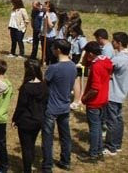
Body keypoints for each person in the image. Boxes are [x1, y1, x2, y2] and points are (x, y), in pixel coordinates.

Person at [41, 39, 76, 172]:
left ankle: (47, 165)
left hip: (51, 107)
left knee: (48, 138)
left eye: (53, 48)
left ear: (59, 50)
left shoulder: (54, 68)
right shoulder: (73, 66)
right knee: (65, 136)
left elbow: (45, 85)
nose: (52, 50)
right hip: (65, 106)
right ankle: (66, 161)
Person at [78, 41, 113, 162]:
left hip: (94, 101)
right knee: (98, 127)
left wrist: (85, 98)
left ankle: (93, 153)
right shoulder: (106, 61)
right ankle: (98, 150)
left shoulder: (96, 66)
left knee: (94, 128)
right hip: (103, 99)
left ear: (91, 53)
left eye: (87, 53)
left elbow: (95, 88)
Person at [12, 59, 48, 173]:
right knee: (31, 144)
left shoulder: (26, 87)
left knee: (26, 146)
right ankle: (30, 164)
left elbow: (21, 106)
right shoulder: (44, 85)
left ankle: (27, 169)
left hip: (26, 121)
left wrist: (15, 119)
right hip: (39, 120)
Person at [104, 32, 128, 155]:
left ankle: (110, 147)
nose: (112, 42)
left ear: (119, 43)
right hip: (122, 92)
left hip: (113, 93)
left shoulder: (118, 59)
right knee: (118, 120)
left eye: (113, 41)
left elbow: (106, 68)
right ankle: (117, 144)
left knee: (112, 121)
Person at [68, 24, 88, 110]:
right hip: (72, 58)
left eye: (72, 31)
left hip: (78, 59)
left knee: (76, 80)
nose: (71, 33)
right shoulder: (71, 38)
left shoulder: (81, 39)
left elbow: (85, 50)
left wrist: (81, 61)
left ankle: (76, 100)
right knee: (75, 80)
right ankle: (79, 96)